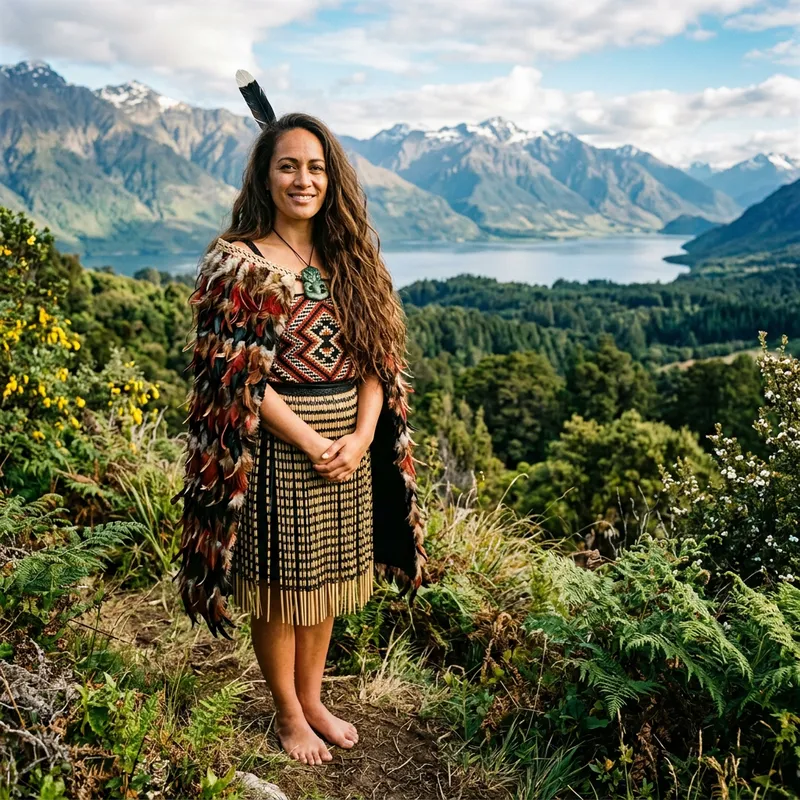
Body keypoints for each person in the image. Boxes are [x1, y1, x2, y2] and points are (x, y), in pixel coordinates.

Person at [171, 112, 427, 767]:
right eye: (287, 165)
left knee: (328, 580)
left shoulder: (352, 258)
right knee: (283, 588)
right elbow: (237, 374)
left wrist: (364, 434)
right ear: (265, 175)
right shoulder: (238, 260)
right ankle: (288, 713)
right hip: (280, 447)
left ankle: (313, 699)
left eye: (315, 167)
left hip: (350, 446)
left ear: (332, 176)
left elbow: (381, 360)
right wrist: (314, 441)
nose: (302, 179)